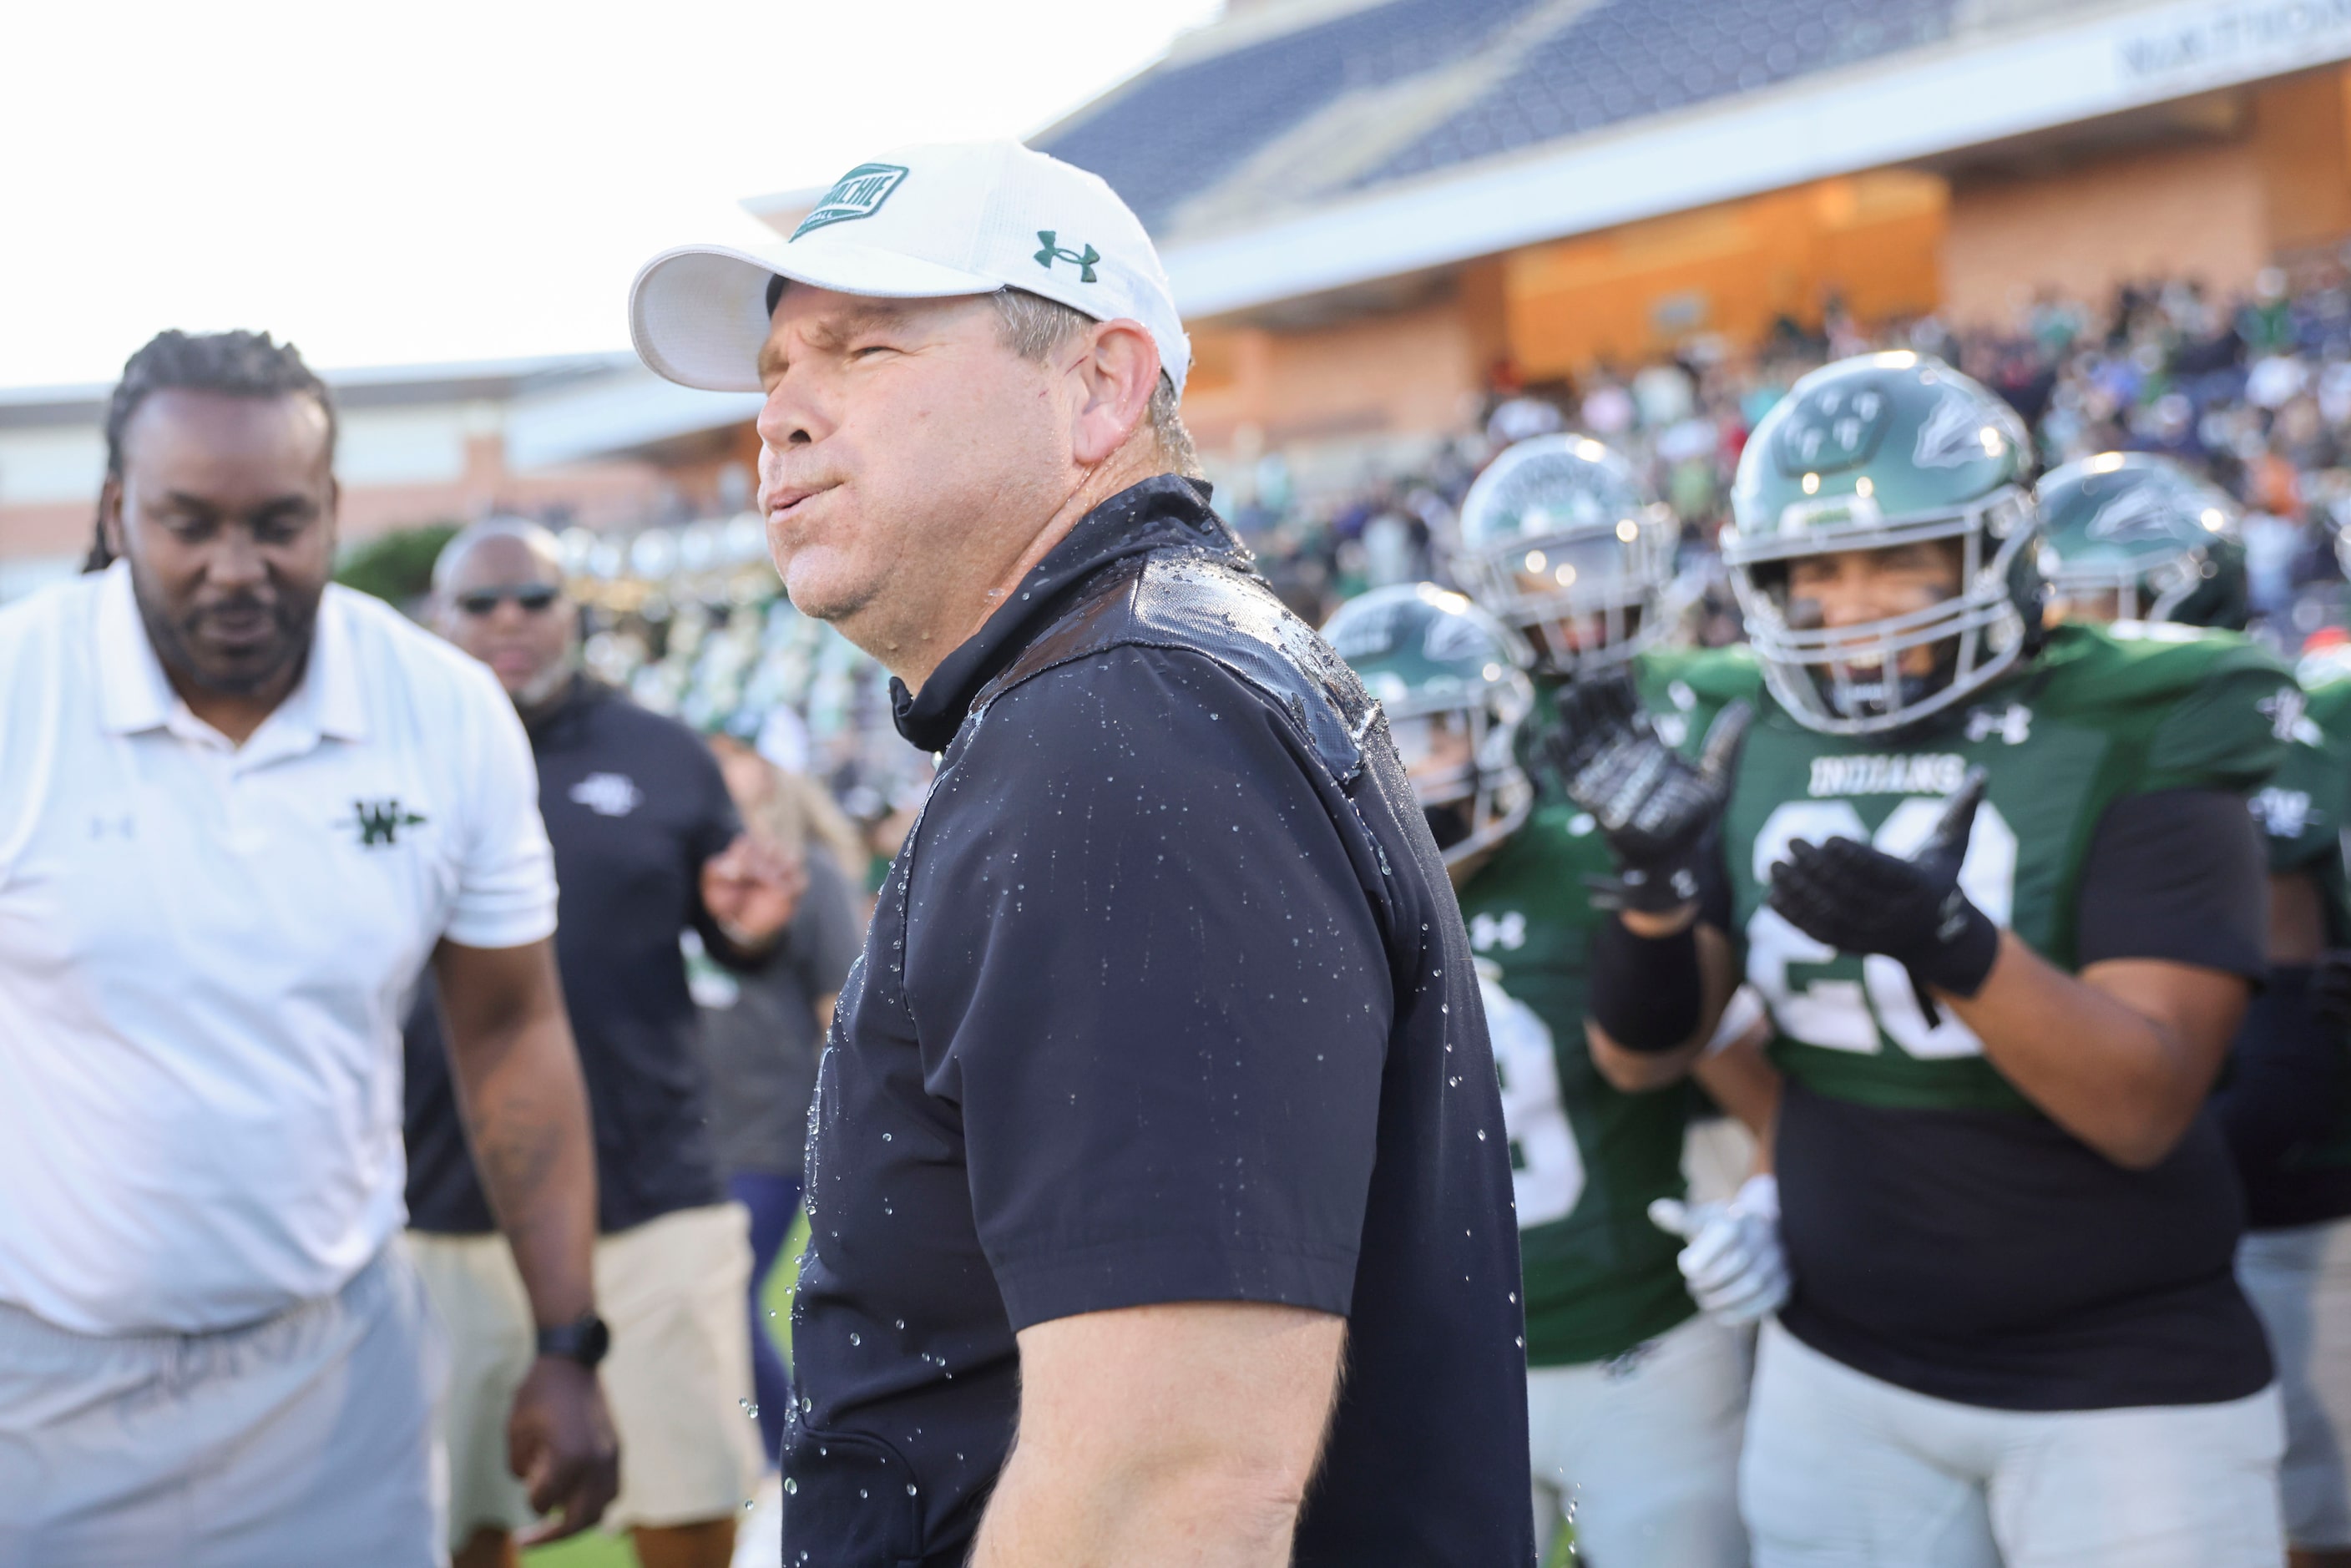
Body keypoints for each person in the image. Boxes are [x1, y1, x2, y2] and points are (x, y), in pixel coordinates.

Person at [628, 139, 1531, 1566]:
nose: (781, 416)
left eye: (862, 349)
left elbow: (1163, 1494)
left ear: (1099, 387)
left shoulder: (1122, 727)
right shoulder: (1148, 677)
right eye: (776, 367)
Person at [1558, 352, 2293, 1566]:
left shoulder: (2143, 711)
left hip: (2120, 1383)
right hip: (1839, 1368)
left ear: (1998, 550)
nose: (1855, 604)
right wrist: (1654, 896)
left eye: (1902, 556)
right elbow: (1644, 1062)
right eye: (1817, 570)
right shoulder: (1757, 726)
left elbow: (2146, 1104)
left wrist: (1950, 944)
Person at [0, 331, 618, 1566]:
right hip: (40, 1378)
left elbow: (509, 1026)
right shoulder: (21, 691)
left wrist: (567, 1341)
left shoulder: (442, 708)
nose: (238, 568)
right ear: (118, 511)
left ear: (333, 510)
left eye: (280, 524)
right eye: (189, 524)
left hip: (338, 1366)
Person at [1322, 581, 1767, 1567]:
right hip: (1424, 1374)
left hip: (1637, 1355)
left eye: (1433, 732)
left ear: (1500, 730)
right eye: (1374, 734)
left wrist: (1765, 1203)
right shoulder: (1303, 901)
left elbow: (1759, 1088)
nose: (1402, 768)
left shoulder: (1595, 867)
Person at [404, 518, 796, 1568]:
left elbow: (731, 925)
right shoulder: (390, 759)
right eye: (478, 602)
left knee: (689, 1504)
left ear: (571, 611)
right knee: (454, 1522)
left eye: (531, 597)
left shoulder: (659, 752)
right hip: (444, 1205)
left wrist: (748, 927)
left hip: (647, 1192)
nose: (507, 621)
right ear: (439, 619)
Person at [2041, 453, 2351, 1568]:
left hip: (2280, 1192)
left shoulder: (2287, 725)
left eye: (2086, 596)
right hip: (2145, 1180)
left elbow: (2276, 1041)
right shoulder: (2055, 746)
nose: (2059, 625)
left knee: (2310, 1513)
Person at [694, 729, 866, 1470]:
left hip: (766, 1131)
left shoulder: (813, 876)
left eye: (730, 750)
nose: (712, 764)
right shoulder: (683, 868)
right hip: (687, 1133)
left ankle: (792, 1462)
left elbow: (840, 1012)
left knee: (724, 1303)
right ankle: (767, 1462)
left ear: (767, 770)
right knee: (698, 1309)